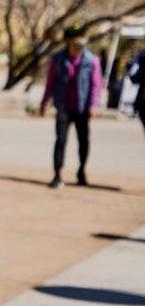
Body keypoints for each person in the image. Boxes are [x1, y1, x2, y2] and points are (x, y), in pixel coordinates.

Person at [39, 25, 103, 188]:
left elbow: (96, 84)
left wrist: (93, 105)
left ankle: (81, 171)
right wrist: (44, 101)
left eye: (82, 37)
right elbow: (50, 82)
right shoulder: (58, 59)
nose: (80, 40)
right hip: (64, 106)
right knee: (60, 140)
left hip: (82, 108)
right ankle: (57, 175)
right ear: (68, 41)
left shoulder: (91, 59)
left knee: (83, 141)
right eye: (76, 37)